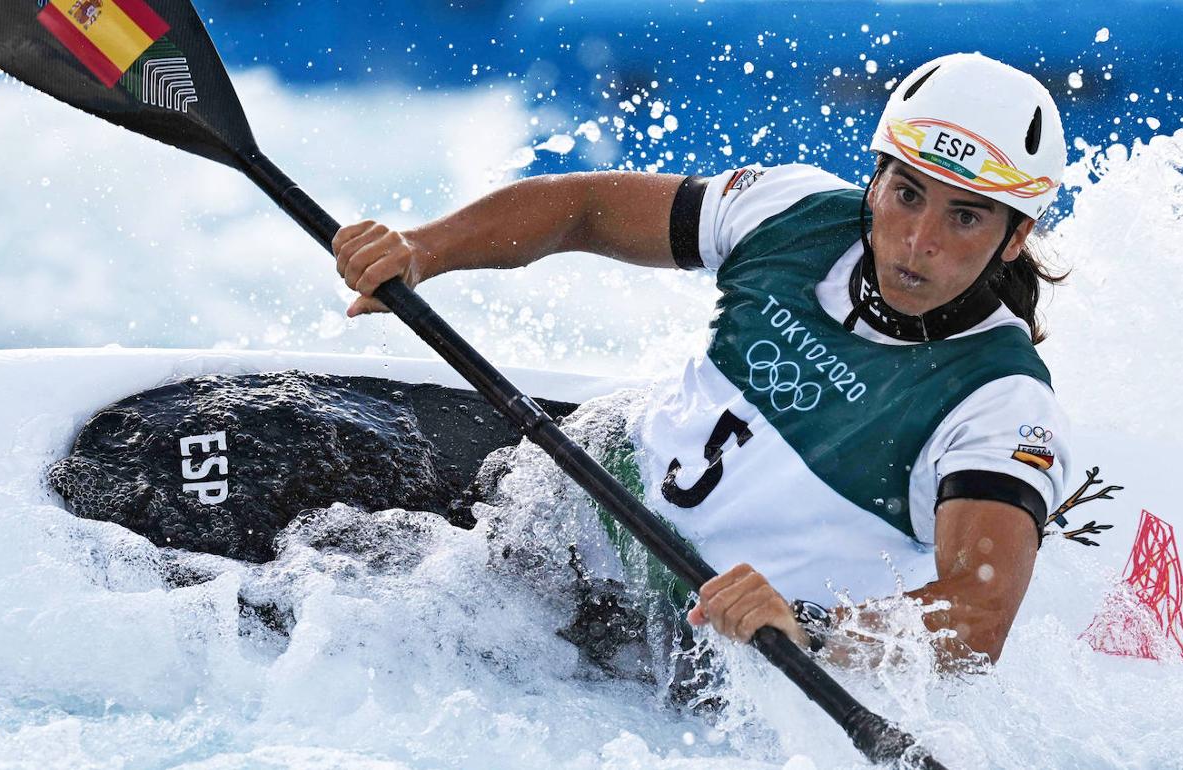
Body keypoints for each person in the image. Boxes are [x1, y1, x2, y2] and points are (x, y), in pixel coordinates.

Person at [331, 53, 1072, 667]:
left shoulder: (999, 402)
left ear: (1014, 237)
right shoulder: (793, 213)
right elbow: (583, 209)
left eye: (965, 216)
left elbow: (978, 617)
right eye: (907, 194)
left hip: (696, 657)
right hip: (561, 516)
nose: (918, 241)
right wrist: (423, 250)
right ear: (875, 180)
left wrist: (810, 628)